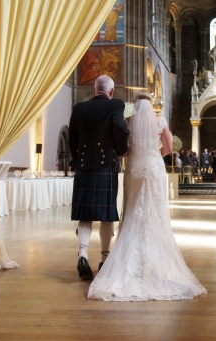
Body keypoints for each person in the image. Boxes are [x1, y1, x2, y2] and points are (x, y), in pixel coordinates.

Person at [88, 90, 206, 301]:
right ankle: (157, 261)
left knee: (134, 209)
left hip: (134, 167)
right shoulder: (160, 121)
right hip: (153, 166)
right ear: (151, 105)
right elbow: (169, 148)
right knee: (155, 211)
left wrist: (135, 152)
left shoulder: (128, 121)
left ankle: (125, 261)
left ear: (134, 104)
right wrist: (153, 153)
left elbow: (122, 151)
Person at [69, 74, 130, 280]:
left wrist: (79, 163)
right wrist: (121, 150)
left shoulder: (79, 108)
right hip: (105, 166)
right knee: (106, 214)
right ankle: (104, 260)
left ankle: (83, 254)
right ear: (111, 92)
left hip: (84, 166)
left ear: (95, 90)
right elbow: (121, 127)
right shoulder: (116, 105)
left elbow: (72, 140)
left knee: (84, 214)